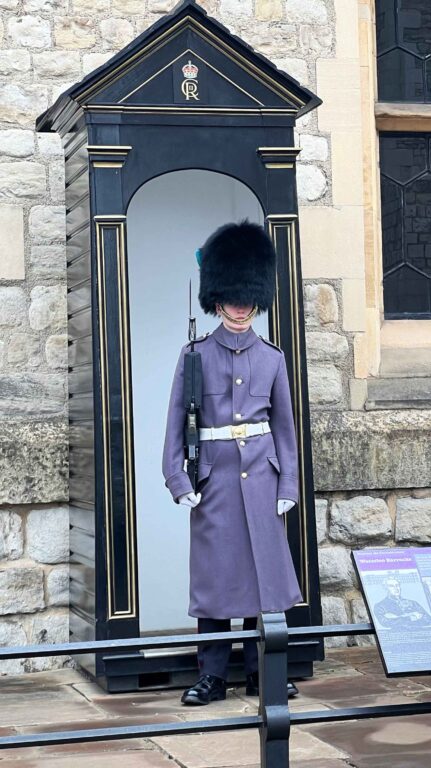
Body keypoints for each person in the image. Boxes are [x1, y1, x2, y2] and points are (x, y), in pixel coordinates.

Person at [162, 220, 301, 705]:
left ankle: (264, 673)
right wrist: (178, 478)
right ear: (217, 299)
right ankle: (213, 676)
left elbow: (284, 427)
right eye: (232, 298)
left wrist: (289, 487)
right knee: (217, 582)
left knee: (263, 583)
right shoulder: (195, 355)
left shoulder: (272, 358)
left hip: (263, 481)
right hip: (215, 482)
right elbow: (177, 421)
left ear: (256, 299)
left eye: (248, 299)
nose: (241, 308)